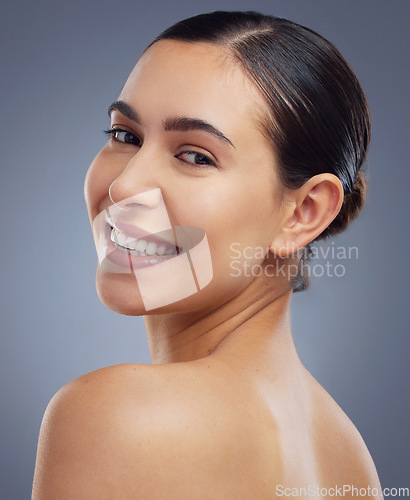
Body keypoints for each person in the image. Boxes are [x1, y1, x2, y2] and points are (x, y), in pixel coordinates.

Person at [32, 11, 383, 498]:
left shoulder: (116, 415)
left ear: (303, 211)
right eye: (125, 136)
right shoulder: (352, 460)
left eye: (195, 156)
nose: (125, 184)